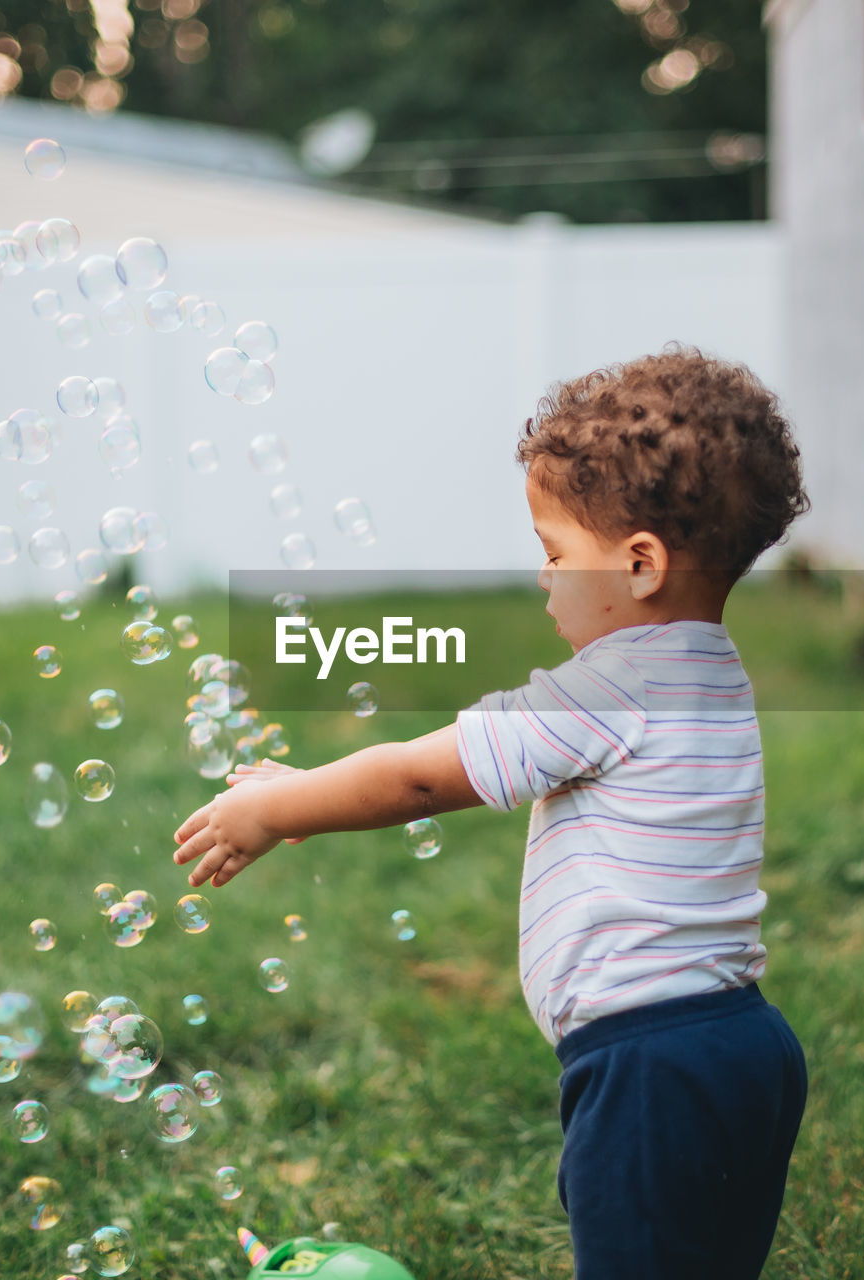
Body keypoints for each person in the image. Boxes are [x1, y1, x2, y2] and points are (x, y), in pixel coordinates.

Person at [172, 343, 810, 1279]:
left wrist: (276, 808)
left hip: (647, 1068)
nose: (544, 579)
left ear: (639, 565)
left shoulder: (611, 687)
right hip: (744, 1047)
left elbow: (423, 776)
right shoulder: (713, 674)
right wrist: (299, 788)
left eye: (556, 555)